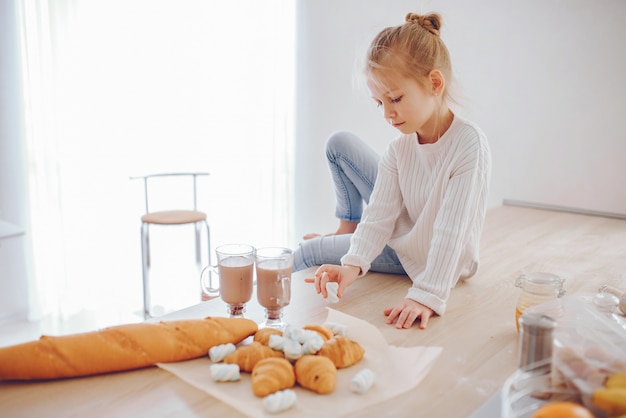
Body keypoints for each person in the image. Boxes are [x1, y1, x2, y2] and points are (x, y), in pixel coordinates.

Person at [293, 12, 492, 330]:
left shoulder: (468, 144)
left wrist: (426, 295)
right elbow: (378, 217)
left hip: (433, 261)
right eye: (379, 103)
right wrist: (352, 266)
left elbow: (450, 233)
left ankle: (261, 308)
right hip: (405, 237)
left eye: (395, 98)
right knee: (341, 155)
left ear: (435, 84)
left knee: (310, 250)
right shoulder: (399, 150)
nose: (387, 113)